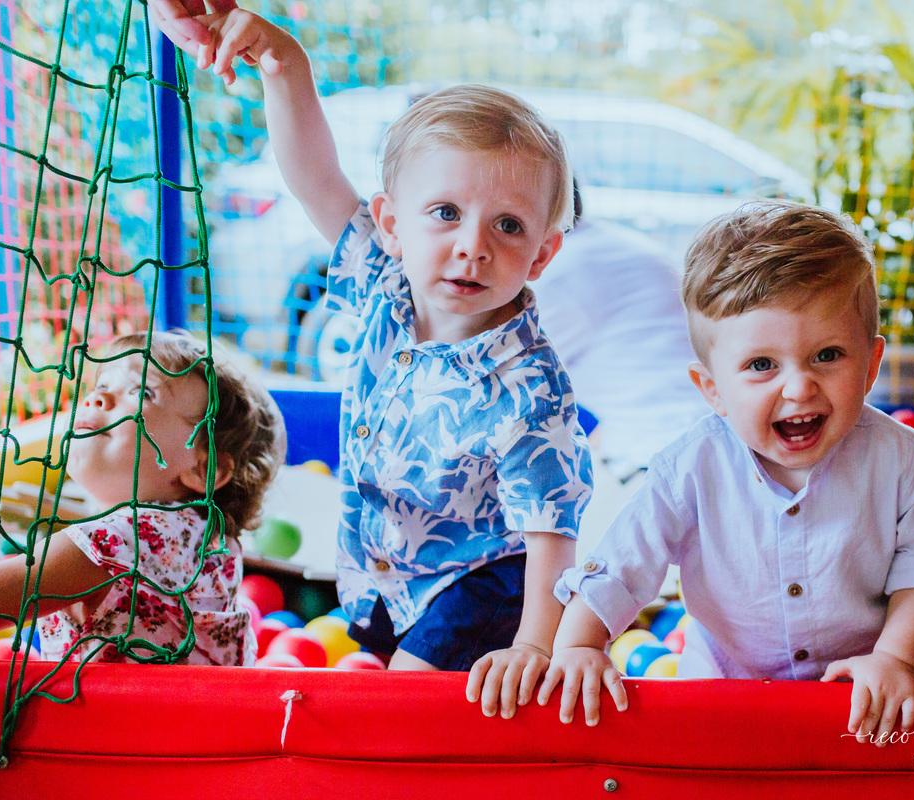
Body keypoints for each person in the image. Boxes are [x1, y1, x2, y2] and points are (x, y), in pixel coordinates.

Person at [161, 8, 592, 717]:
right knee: (384, 674)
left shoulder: (528, 387)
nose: (472, 246)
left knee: (396, 715)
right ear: (393, 223)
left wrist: (536, 648)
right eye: (445, 212)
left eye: (508, 226)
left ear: (542, 254)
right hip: (388, 575)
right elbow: (315, 177)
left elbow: (551, 532)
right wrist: (287, 68)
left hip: (484, 582)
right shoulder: (384, 286)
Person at [538, 201, 914, 744]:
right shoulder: (689, 469)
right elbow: (621, 568)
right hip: (721, 699)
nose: (798, 387)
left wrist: (895, 659)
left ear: (871, 364)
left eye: (828, 354)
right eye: (762, 365)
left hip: (863, 704)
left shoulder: (906, 463)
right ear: (712, 388)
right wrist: (580, 645)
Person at [0, 331, 286, 665]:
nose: (98, 399)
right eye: (102, 386)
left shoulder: (125, 543)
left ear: (203, 468)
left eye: (142, 392)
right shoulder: (205, 536)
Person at [535, 185, 711, 482]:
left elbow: (503, 383)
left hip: (658, 455)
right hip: (706, 435)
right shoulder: (608, 243)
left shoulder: (562, 274)